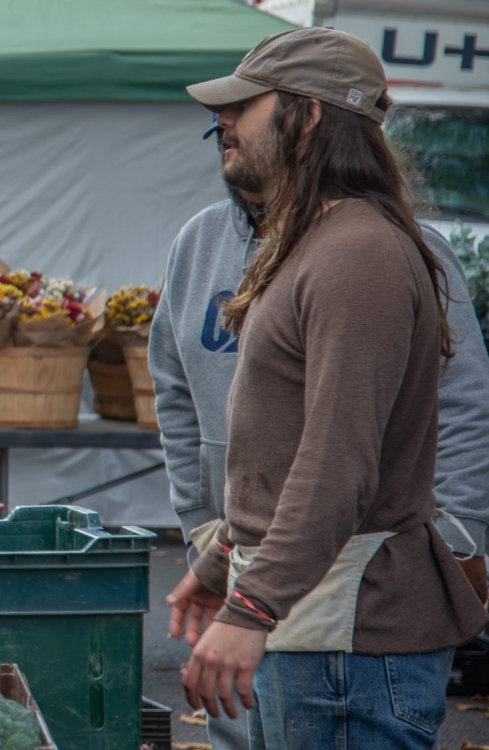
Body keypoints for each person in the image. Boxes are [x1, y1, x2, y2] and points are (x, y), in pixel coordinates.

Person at [163, 29, 489, 748]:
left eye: (241, 107)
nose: (221, 123)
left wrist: (249, 606)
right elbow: (280, 453)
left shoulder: (357, 253)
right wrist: (222, 563)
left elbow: (338, 462)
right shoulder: (320, 241)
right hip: (315, 625)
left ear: (306, 116)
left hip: (348, 638)